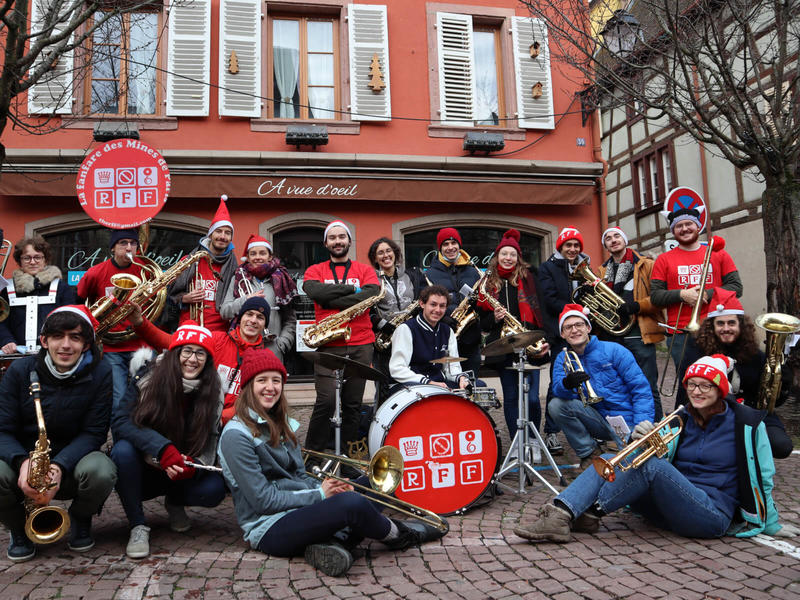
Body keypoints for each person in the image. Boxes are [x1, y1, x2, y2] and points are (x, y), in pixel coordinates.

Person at [217, 348, 447, 577]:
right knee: (352, 504)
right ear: (248, 387)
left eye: (276, 380)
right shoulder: (236, 436)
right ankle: (399, 535)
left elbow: (299, 476)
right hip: (269, 527)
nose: (271, 387)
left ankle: (336, 543)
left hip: (301, 508)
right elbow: (263, 501)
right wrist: (320, 495)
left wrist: (332, 487)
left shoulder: (282, 423)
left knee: (376, 482)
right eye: (262, 380)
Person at [514, 354, 781, 543]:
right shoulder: (681, 418)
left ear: (721, 389)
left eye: (705, 386)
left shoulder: (746, 424)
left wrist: (771, 524)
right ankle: (562, 512)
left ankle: (589, 513)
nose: (696, 391)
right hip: (672, 506)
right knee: (610, 457)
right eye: (691, 385)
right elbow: (647, 460)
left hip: (711, 514)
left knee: (652, 467)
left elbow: (764, 476)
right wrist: (639, 437)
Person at [0, 305, 116, 562]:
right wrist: (21, 462)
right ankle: (18, 528)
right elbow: (2, 429)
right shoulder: (19, 372)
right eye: (57, 337)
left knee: (102, 470)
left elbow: (94, 432)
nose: (66, 345)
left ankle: (80, 518)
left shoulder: (101, 372)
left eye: (75, 337)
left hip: (71, 463)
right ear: (44, 340)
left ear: (86, 344)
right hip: (25, 462)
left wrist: (61, 466)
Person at [111, 322, 227, 559]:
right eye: (187, 351)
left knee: (214, 489)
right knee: (122, 452)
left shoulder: (213, 389)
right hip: (146, 464)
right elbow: (121, 420)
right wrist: (161, 449)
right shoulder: (148, 376)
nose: (192, 359)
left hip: (180, 465)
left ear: (208, 359)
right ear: (175, 353)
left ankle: (174, 501)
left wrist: (192, 465)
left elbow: (211, 439)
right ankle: (137, 525)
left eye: (200, 353)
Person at [677, 289, 793, 458]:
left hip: (752, 413)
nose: (726, 328)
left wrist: (783, 383)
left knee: (781, 446)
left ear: (740, 325)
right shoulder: (696, 352)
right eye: (720, 324)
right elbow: (684, 394)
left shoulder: (756, 355)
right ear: (711, 326)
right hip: (710, 415)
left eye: (731, 323)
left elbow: (770, 402)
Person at [302, 221, 381, 454]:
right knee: (325, 402)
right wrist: (352, 291)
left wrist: (329, 299)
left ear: (349, 241)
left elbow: (372, 294)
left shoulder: (366, 270)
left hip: (361, 343)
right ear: (326, 243)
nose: (337, 241)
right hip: (328, 344)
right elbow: (314, 291)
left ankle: (346, 456)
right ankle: (313, 455)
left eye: (342, 237)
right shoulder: (315, 270)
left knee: (352, 404)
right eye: (333, 237)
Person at [130, 296, 271, 424]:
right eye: (249, 314)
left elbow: (256, 402)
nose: (253, 320)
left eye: (260, 317)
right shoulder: (217, 339)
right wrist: (141, 323)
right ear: (240, 318)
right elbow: (171, 342)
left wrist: (221, 418)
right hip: (199, 418)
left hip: (235, 424)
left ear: (265, 325)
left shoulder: (265, 358)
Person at [549, 304, 654, 471]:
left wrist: (641, 426)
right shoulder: (563, 357)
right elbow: (557, 390)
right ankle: (589, 454)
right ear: (562, 334)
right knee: (556, 405)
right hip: (598, 418)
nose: (574, 330)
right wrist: (566, 384)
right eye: (568, 327)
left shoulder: (614, 350)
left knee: (635, 467)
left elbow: (641, 390)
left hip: (627, 420)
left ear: (588, 327)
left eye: (579, 325)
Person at [477, 229, 550, 446]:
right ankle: (519, 443)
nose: (508, 258)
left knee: (534, 399)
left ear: (518, 257)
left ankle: (534, 441)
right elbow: (482, 323)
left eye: (512, 254)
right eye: (504, 254)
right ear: (497, 257)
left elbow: (542, 310)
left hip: (530, 343)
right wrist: (495, 318)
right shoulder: (488, 283)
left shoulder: (530, 278)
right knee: (511, 399)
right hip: (504, 349)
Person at [650, 207, 742, 371]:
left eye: (689, 224)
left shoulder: (719, 254)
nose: (684, 228)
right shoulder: (663, 259)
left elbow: (736, 287)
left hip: (716, 328)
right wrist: (682, 294)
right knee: (687, 384)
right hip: (680, 334)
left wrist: (707, 294)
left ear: (698, 226)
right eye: (679, 226)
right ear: (673, 231)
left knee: (721, 379)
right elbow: (655, 297)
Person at [76, 228, 149, 410]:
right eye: (123, 243)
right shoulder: (95, 273)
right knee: (119, 399)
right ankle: (121, 438)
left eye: (133, 243)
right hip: (111, 347)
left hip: (141, 343)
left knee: (147, 398)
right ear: (113, 248)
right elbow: (78, 302)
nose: (129, 248)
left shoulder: (145, 270)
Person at [597, 227, 665, 420]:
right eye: (608, 238)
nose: (613, 240)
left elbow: (659, 299)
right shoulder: (602, 271)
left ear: (625, 239)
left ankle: (658, 429)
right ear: (606, 246)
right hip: (613, 336)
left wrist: (635, 306)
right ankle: (630, 432)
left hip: (639, 333)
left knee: (647, 385)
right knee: (620, 385)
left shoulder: (645, 265)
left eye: (617, 236)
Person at [537, 227, 592, 455]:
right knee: (558, 381)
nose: (572, 249)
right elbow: (549, 300)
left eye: (576, 245)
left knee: (588, 377)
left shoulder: (585, 267)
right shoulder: (548, 268)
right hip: (561, 333)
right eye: (568, 245)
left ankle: (589, 427)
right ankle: (551, 432)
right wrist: (577, 312)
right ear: (560, 247)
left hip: (583, 331)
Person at [220, 234, 297, 361]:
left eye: (262, 253)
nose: (258, 257)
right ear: (248, 258)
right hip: (242, 348)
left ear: (270, 256)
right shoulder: (238, 278)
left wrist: (282, 344)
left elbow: (290, 319)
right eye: (253, 254)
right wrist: (246, 299)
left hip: (272, 350)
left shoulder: (282, 279)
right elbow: (225, 312)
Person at [168, 195, 239, 333]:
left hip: (221, 332)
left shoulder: (234, 267)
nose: (223, 236)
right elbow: (168, 295)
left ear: (231, 238)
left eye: (228, 233)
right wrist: (184, 298)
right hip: (189, 329)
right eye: (218, 231)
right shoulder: (188, 260)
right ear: (210, 235)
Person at [367, 237, 423, 406]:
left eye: (388, 251)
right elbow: (367, 311)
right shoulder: (371, 280)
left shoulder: (412, 275)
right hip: (385, 341)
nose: (386, 255)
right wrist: (383, 325)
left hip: (411, 337)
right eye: (380, 253)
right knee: (384, 386)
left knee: (412, 384)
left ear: (395, 253)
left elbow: (422, 302)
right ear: (375, 258)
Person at [0, 236, 75, 355]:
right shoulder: (7, 289)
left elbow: (71, 321)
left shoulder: (61, 288)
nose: (32, 262)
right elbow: (1, 322)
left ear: (45, 260)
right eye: (26, 258)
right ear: (20, 261)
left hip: (52, 355)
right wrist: (7, 341)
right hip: (15, 355)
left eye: (37, 257)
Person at [424, 227, 483, 377]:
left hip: (471, 340)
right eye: (445, 244)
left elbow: (481, 301)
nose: (450, 247)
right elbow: (425, 306)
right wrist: (443, 317)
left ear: (459, 245)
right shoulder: (429, 274)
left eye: (453, 243)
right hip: (444, 339)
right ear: (440, 248)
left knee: (471, 385)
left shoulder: (473, 271)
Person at [389, 284, 470, 390]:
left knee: (478, 386)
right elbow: (397, 369)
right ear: (422, 304)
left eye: (442, 306)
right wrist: (428, 382)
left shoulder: (448, 331)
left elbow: (452, 367)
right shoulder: (406, 329)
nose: (437, 310)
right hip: (410, 385)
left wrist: (461, 378)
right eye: (433, 304)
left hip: (439, 384)